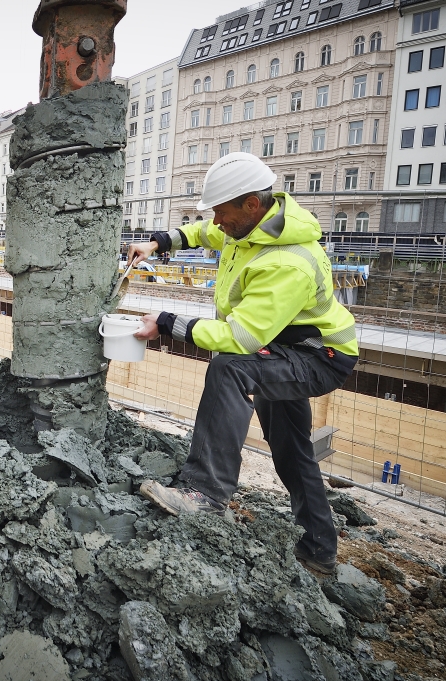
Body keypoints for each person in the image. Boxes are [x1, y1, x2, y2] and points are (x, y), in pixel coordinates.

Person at [125, 152, 358, 576]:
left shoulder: (287, 261)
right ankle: (319, 551)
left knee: (231, 367)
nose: (217, 221)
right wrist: (159, 240)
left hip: (316, 356)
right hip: (280, 350)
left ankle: (205, 495)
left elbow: (241, 339)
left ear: (252, 204)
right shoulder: (250, 228)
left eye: (222, 211)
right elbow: (205, 233)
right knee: (291, 449)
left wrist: (166, 322)